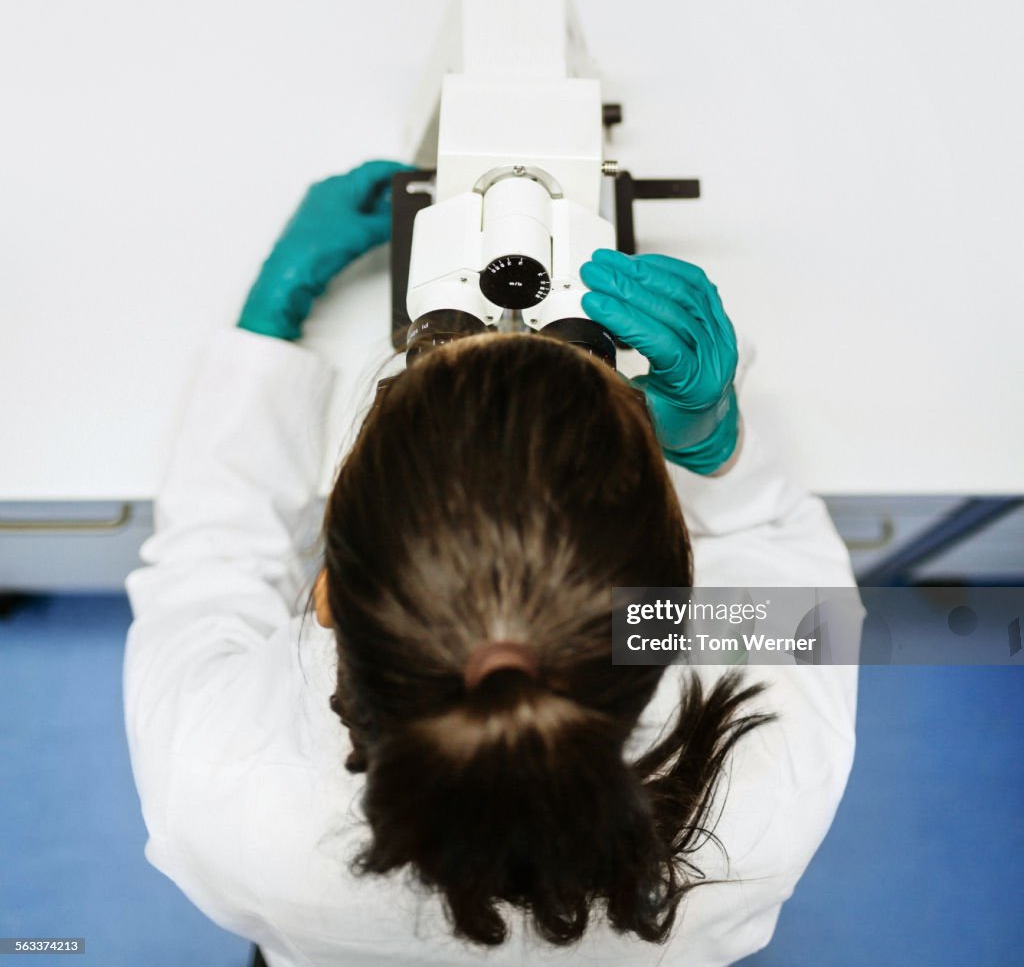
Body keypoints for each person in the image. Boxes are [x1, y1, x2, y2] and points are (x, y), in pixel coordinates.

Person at [124, 160, 859, 966]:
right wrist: (716, 444)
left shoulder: (216, 785)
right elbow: (784, 571)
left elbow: (212, 558)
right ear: (671, 606)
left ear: (326, 591)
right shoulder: (761, 767)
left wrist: (269, 327)